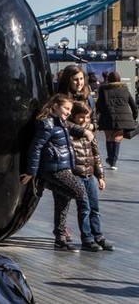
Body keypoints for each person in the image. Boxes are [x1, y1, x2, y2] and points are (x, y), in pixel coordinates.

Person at [22, 94, 93, 251]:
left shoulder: (59, 122)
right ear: (55, 106)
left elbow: (71, 126)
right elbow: (36, 147)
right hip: (55, 169)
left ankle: (60, 238)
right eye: (66, 108)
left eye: (70, 109)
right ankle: (87, 237)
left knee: (63, 201)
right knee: (81, 192)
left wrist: (84, 132)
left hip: (63, 167)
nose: (68, 112)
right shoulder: (47, 124)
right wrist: (32, 171)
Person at [64, 101, 111, 251]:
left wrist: (100, 176)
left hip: (90, 176)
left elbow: (96, 156)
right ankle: (87, 238)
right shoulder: (69, 134)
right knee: (84, 207)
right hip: (77, 176)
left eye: (87, 117)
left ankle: (98, 236)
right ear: (74, 117)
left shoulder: (90, 134)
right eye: (80, 117)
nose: (84, 121)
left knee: (95, 207)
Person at [95, 71, 137, 170]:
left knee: (109, 137)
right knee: (117, 138)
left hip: (107, 116)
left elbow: (99, 105)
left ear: (108, 79)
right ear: (119, 79)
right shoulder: (124, 88)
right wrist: (134, 117)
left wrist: (99, 115)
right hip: (123, 118)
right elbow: (133, 105)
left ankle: (110, 159)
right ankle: (114, 162)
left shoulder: (103, 89)